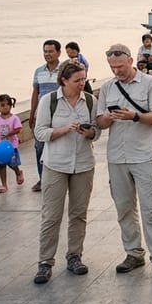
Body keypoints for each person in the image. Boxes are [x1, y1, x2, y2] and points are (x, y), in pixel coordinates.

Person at [96, 44, 152, 279]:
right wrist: (107, 117)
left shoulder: (150, 83)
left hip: (143, 154)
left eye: (120, 66)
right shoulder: (107, 88)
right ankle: (133, 253)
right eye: (112, 67)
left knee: (150, 208)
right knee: (124, 208)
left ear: (130, 61)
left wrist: (135, 116)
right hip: (117, 156)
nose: (117, 71)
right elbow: (99, 122)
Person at [32, 61, 99, 285]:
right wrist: (63, 130)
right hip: (55, 164)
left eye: (84, 79)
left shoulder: (90, 101)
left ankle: (74, 256)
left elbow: (97, 132)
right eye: (77, 80)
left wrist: (89, 132)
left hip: (83, 163)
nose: (82, 84)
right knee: (51, 215)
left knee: (78, 213)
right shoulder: (49, 101)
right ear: (63, 81)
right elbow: (40, 132)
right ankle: (45, 262)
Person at [28, 39, 62, 193]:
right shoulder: (38, 71)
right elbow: (36, 92)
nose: (47, 54)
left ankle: (60, 179)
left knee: (59, 147)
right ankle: (43, 179)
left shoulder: (65, 70)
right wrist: (32, 113)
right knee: (39, 147)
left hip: (59, 115)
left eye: (50, 51)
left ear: (58, 53)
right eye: (45, 51)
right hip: (41, 115)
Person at [0, 94, 25, 193]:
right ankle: (4, 185)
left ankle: (18, 172)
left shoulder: (14, 118)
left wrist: (10, 133)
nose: (5, 107)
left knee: (12, 164)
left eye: (7, 104)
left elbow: (18, 129)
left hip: (11, 146)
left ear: (10, 105)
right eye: (2, 105)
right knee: (2, 166)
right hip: (0, 147)